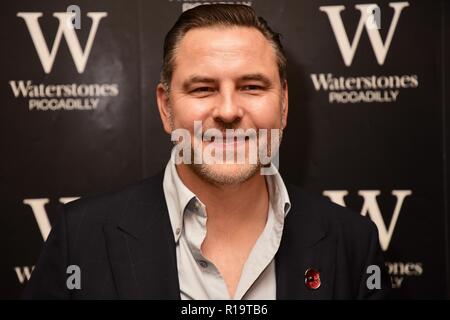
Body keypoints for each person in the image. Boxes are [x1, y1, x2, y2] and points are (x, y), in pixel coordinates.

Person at [22, 4, 390, 299]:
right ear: (166, 108)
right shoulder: (81, 239)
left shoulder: (353, 243)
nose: (228, 111)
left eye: (251, 86)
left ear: (284, 104)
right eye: (202, 89)